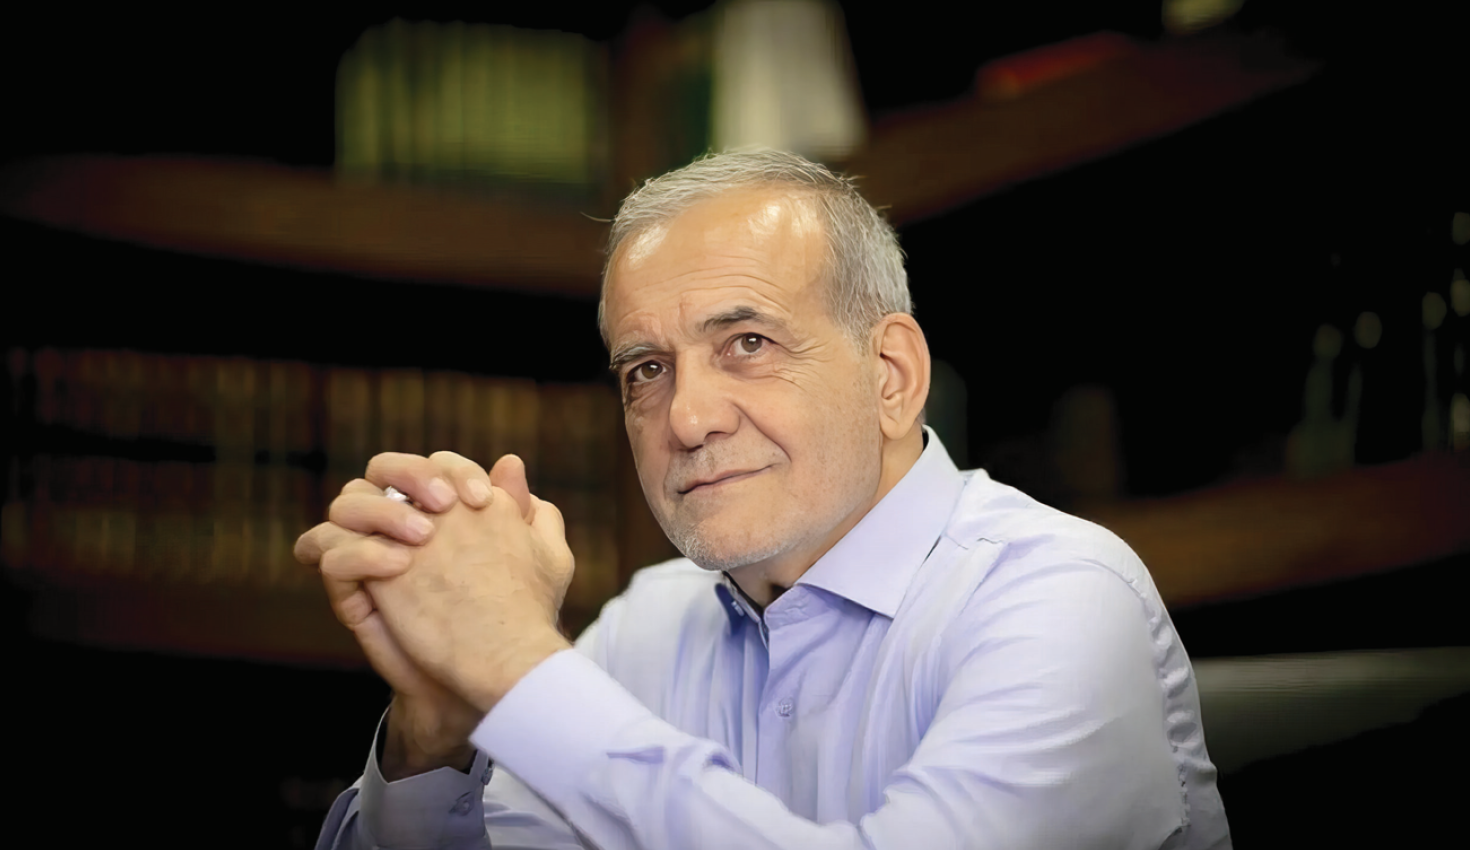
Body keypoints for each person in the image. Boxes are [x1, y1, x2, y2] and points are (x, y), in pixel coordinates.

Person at [297, 149, 1231, 849]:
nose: (687, 417)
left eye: (747, 344)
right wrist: (441, 727)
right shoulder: (645, 627)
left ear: (892, 376)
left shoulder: (1063, 594)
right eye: (646, 369)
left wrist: (512, 667)